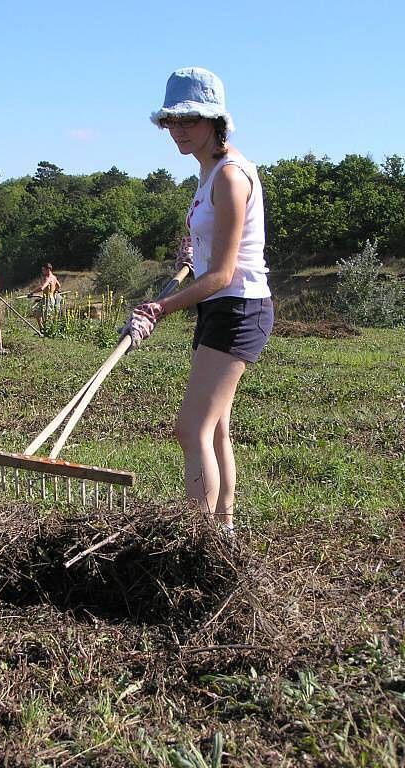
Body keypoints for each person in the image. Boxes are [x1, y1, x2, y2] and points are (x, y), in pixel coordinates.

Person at [122, 67, 273, 535]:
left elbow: (225, 273)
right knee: (216, 428)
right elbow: (212, 253)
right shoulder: (209, 172)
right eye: (172, 122)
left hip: (238, 307)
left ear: (215, 120)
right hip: (220, 306)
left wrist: (159, 309)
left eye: (189, 120)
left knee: (190, 430)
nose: (179, 131)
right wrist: (192, 253)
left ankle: (199, 543)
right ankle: (224, 534)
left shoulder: (229, 176)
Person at [33, 263, 61, 331]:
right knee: (37, 313)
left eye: (43, 270)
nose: (42, 271)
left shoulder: (48, 278)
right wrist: (55, 290)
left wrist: (32, 292)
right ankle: (42, 329)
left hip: (48, 300)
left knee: (47, 317)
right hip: (45, 298)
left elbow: (42, 288)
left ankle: (48, 331)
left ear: (48, 269)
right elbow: (58, 285)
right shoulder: (54, 277)